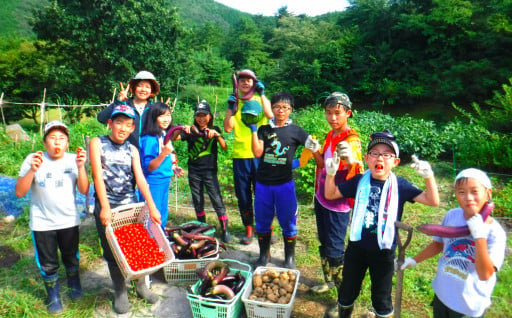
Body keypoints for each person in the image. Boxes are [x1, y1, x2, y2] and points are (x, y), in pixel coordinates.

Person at [324, 130, 440, 318]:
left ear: (395, 162)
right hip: (356, 249)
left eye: (387, 155)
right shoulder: (359, 181)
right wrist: (330, 174)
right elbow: (330, 194)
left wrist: (428, 176)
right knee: (347, 290)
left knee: (381, 297)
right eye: (375, 153)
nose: (380, 158)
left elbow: (432, 201)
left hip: (384, 253)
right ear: (367, 159)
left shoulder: (400, 186)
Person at [401, 168, 506, 318]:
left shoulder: (495, 233)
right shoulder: (453, 215)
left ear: (488, 194)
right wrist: (413, 260)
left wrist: (480, 236)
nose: (468, 197)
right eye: (461, 192)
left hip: (467, 306)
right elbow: (439, 244)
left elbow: (485, 274)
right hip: (442, 295)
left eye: (474, 191)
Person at [90, 104, 162, 314]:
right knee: (112, 252)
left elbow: (140, 179)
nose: (122, 128)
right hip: (108, 206)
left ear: (132, 129)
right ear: (110, 123)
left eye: (128, 125)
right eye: (118, 123)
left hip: (130, 207)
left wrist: (152, 207)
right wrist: (104, 207)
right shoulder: (98, 143)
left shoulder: (132, 149)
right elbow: (97, 176)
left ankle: (140, 286)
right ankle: (120, 291)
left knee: (135, 249)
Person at [14, 121, 89, 314]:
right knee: (48, 262)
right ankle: (53, 295)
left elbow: (84, 189)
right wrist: (32, 169)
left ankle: (74, 284)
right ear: (45, 142)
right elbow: (19, 193)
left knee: (71, 256)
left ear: (67, 143)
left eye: (62, 138)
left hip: (69, 220)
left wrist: (81, 167)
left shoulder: (74, 160)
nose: (57, 142)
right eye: (52, 138)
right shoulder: (34, 158)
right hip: (42, 223)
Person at [250, 92, 321, 268]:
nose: (281, 110)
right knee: (262, 220)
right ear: (271, 109)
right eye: (277, 107)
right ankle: (263, 256)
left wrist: (307, 155)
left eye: (285, 107)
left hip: (284, 185)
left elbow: (311, 149)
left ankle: (289, 258)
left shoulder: (296, 131)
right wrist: (252, 129)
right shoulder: (264, 129)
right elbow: (258, 153)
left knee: (288, 220)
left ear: (291, 110)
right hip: (263, 184)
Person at [310, 93, 364, 311]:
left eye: (337, 113)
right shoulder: (331, 135)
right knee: (324, 243)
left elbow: (359, 169)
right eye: (329, 113)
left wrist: (350, 159)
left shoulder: (352, 140)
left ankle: (344, 300)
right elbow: (323, 164)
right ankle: (330, 281)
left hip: (338, 205)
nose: (332, 117)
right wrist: (314, 149)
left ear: (347, 114)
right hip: (322, 198)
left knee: (335, 250)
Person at [223, 69, 273, 244]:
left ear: (254, 83)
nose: (245, 82)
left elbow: (270, 115)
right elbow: (228, 128)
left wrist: (263, 94)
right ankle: (249, 230)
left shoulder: (260, 100)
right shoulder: (235, 102)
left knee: (263, 193)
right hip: (241, 156)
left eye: (249, 80)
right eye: (242, 80)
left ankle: (265, 229)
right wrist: (231, 108)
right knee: (243, 195)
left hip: (260, 153)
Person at [172, 100, 232, 243]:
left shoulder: (215, 129)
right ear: (195, 116)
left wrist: (216, 135)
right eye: (198, 115)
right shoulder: (191, 131)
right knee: (197, 200)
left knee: (216, 199)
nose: (201, 118)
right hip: (194, 171)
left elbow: (224, 147)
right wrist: (180, 129)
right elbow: (175, 138)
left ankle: (225, 229)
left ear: (210, 116)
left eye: (204, 115)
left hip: (210, 171)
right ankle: (202, 228)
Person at [140, 102, 184, 230]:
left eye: (168, 115)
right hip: (153, 182)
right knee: (152, 215)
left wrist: (173, 167)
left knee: (163, 213)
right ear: (153, 118)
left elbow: (166, 159)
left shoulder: (163, 134)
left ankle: (160, 240)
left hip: (164, 179)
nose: (166, 119)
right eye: (162, 116)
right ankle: (151, 242)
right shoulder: (149, 139)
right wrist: (164, 153)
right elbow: (149, 167)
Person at [97, 70, 160, 149]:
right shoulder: (124, 105)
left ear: (151, 90)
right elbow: (101, 118)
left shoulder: (155, 109)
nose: (143, 89)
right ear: (134, 88)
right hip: (126, 153)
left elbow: (166, 129)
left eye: (147, 87)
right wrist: (118, 102)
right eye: (140, 86)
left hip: (149, 154)